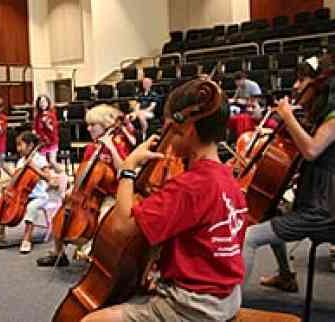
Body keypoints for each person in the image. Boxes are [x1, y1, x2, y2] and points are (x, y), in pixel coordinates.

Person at [81, 87, 247, 322]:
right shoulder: (227, 176)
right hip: (227, 297)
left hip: (195, 307)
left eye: (169, 125)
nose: (166, 134)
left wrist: (128, 169)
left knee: (91, 321)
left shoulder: (190, 185)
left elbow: (121, 226)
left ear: (186, 127)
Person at [243, 56, 335, 292]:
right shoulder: (317, 116)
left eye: (301, 79)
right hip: (312, 202)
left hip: (322, 211)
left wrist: (288, 116)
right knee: (270, 213)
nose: (295, 85)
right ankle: (286, 276)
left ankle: (229, 311)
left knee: (248, 238)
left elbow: (312, 150)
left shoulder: (333, 117)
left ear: (319, 84)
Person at [36, 104, 136, 267]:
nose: (88, 129)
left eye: (93, 125)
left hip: (111, 194)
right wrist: (72, 189)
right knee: (63, 212)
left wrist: (111, 148)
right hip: (89, 193)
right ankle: (58, 254)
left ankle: (99, 256)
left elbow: (124, 169)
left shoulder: (118, 143)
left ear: (105, 126)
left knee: (104, 218)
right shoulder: (91, 147)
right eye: (88, 125)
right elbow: (83, 172)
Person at [0, 131, 55, 254]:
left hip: (38, 196)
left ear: (31, 145)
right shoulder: (21, 161)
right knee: (4, 201)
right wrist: (7, 177)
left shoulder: (40, 160)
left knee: (32, 207)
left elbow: (49, 178)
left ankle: (27, 240)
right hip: (22, 194)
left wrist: (33, 167)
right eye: (17, 145)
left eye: (20, 145)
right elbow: (17, 177)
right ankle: (0, 234)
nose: (18, 149)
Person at [33, 94, 62, 173]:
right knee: (43, 164)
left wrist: (47, 124)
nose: (42, 103)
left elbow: (54, 129)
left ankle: (63, 175)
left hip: (52, 141)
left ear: (47, 103)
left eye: (44, 101)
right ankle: (48, 179)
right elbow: (35, 129)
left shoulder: (52, 114)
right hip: (42, 142)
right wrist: (35, 133)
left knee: (52, 161)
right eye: (40, 102)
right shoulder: (37, 116)